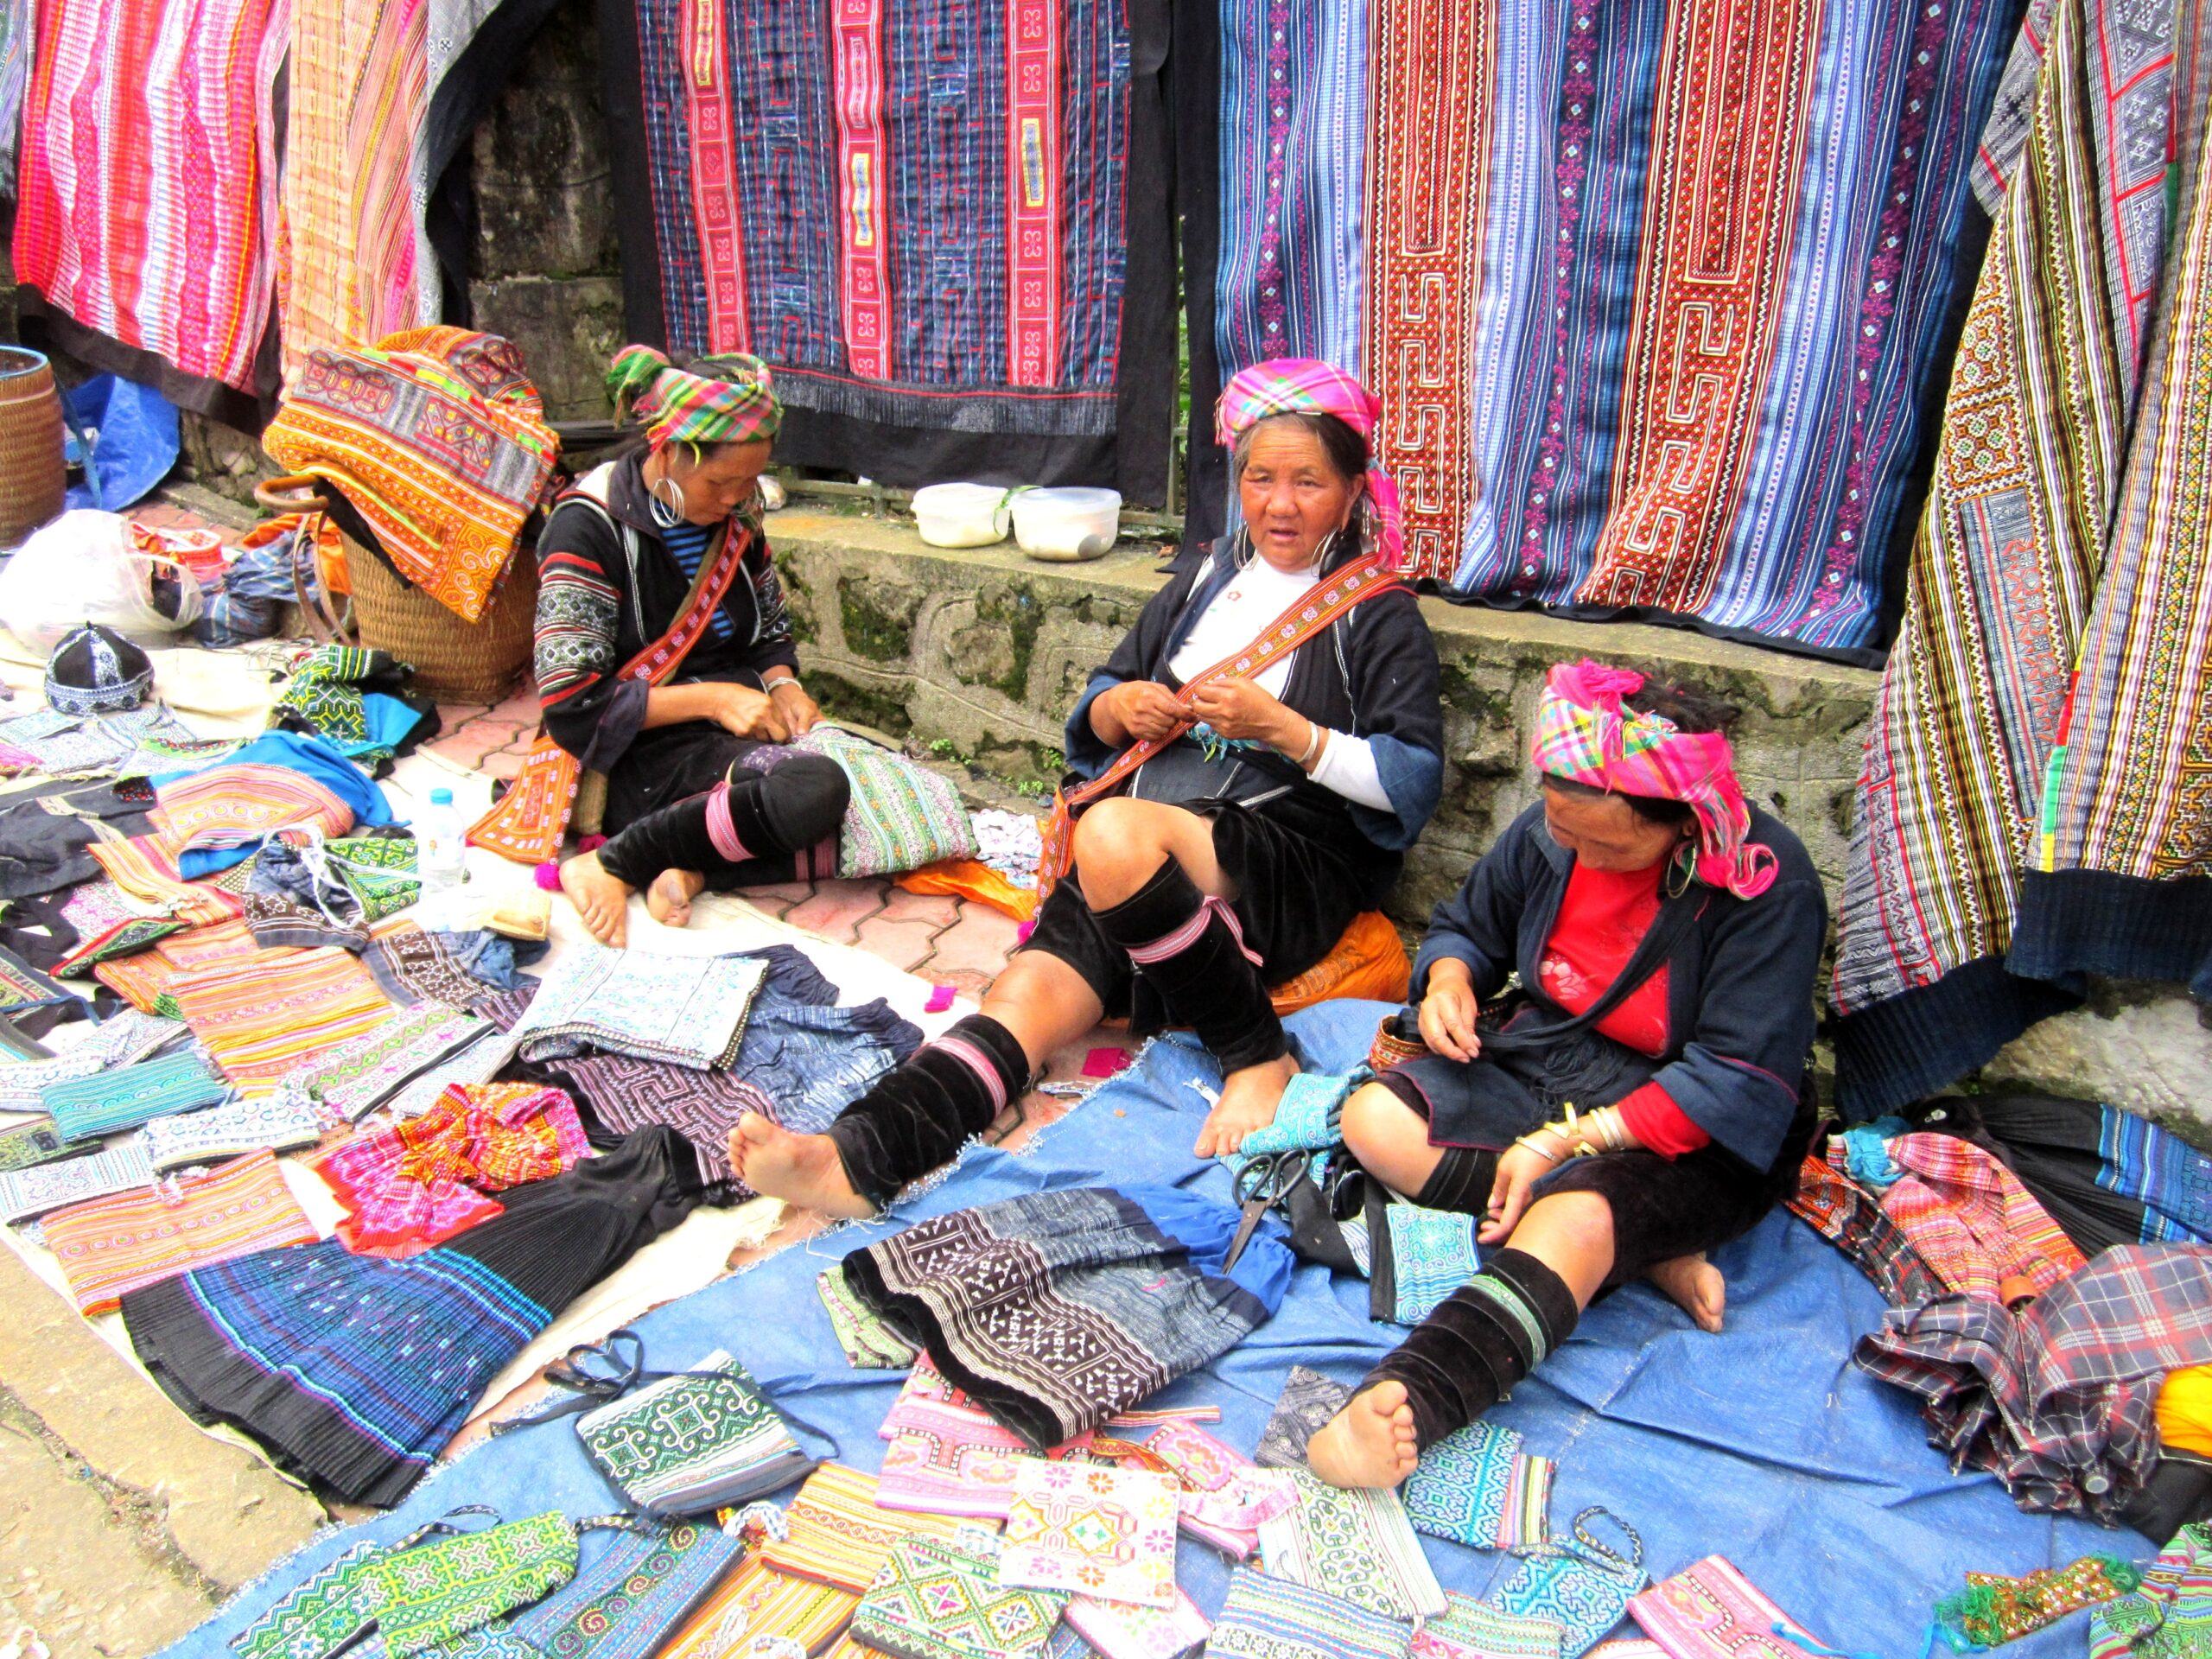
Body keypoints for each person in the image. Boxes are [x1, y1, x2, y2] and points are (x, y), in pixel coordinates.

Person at [734, 359, 1445, 1217]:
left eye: (1308, 483)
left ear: (1353, 490)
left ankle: (1258, 1055)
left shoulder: (1378, 615)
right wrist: (1119, 707)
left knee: (1112, 833)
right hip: (1146, 862)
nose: (1279, 505)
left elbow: (1410, 781)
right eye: (1260, 478)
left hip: (1286, 858)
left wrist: (1286, 731)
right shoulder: (1209, 579)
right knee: (1025, 1000)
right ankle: (858, 1158)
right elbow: (1103, 694)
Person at [1305, 661, 1826, 1491]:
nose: (1578, 855)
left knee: (1575, 1216)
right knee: (1374, 1122)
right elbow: (1469, 927)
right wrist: (1449, 983)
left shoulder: (1767, 884)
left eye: (1608, 847)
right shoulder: (1553, 831)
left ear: (1684, 825)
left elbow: (1731, 1078)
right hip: (1559, 1053)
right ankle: (1639, 1250)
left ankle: (1409, 1396)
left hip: (1693, 1114)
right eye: (1564, 831)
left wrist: (1561, 1146)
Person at [543, 346, 849, 946]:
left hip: (735, 736)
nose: (737, 498)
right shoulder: (587, 526)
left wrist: (783, 684)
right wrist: (716, 699)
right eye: (721, 482)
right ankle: (610, 862)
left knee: (883, 808)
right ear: (668, 451)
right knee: (813, 793)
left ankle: (692, 867)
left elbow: (768, 629)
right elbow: (572, 707)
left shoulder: (737, 515)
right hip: (641, 752)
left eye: (750, 481)